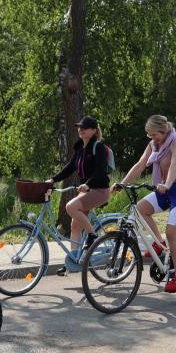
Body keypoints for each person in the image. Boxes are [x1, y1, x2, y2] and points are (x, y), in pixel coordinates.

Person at [116, 115, 176, 293]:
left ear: (164, 130)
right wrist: (122, 184)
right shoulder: (153, 144)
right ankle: (160, 244)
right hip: (163, 189)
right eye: (149, 135)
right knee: (140, 209)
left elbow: (174, 165)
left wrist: (167, 184)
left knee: (172, 232)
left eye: (154, 135)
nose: (152, 139)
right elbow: (140, 165)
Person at [47, 116, 111, 272]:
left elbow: (101, 170)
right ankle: (73, 260)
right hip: (87, 191)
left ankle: (92, 236)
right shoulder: (80, 148)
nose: (80, 129)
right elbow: (70, 167)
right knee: (74, 226)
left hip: (100, 190)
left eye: (85, 127)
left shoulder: (98, 147)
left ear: (94, 130)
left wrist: (88, 184)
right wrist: (53, 180)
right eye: (79, 127)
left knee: (70, 207)